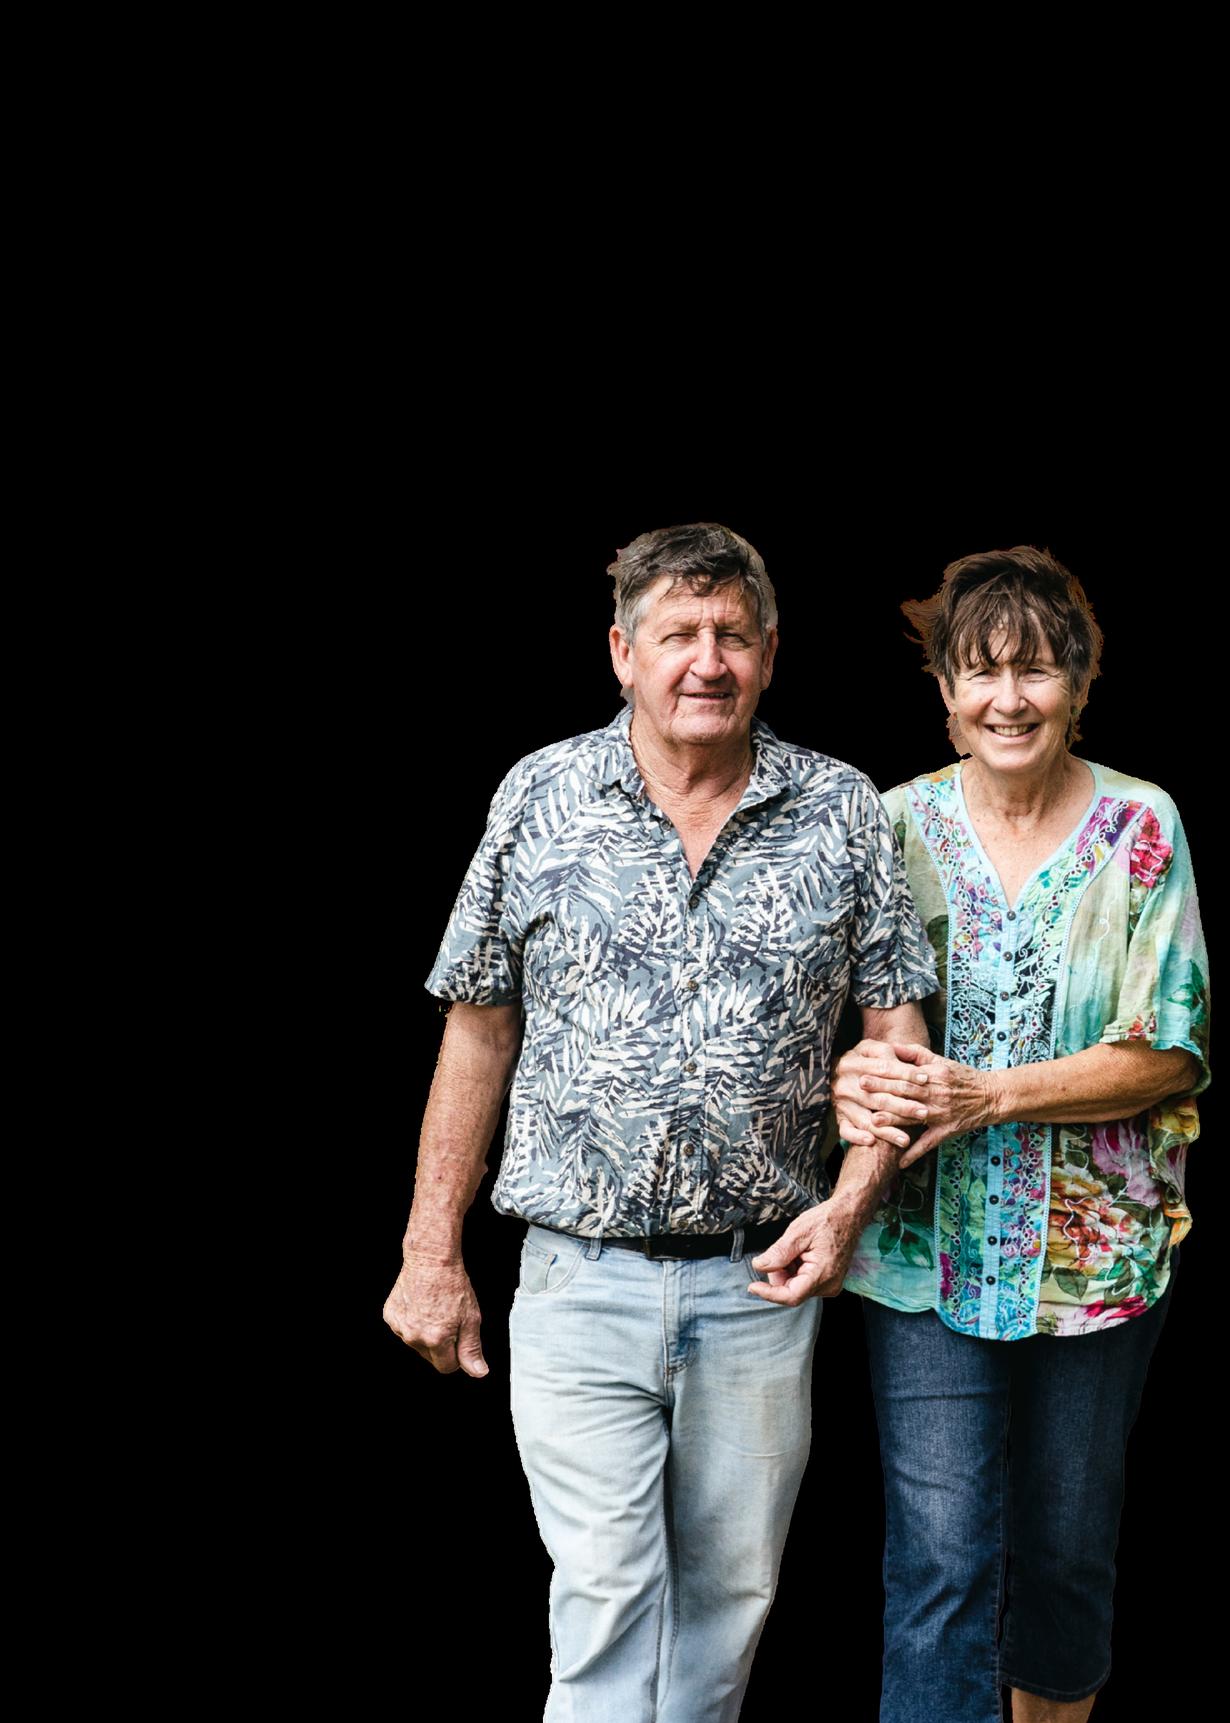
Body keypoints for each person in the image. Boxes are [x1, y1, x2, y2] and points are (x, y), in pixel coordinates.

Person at [383, 522, 938, 1720]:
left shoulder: (841, 809)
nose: (708, 661)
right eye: (679, 633)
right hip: (578, 1279)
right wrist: (431, 1249)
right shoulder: (540, 795)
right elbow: (478, 1031)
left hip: (760, 1284)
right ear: (622, 652)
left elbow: (897, 1044)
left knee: (729, 1606)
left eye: (733, 634)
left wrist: (849, 1209)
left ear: (772, 654)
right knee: (606, 1595)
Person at [826, 547, 1209, 1723]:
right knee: (940, 1560)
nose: (1008, 698)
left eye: (1036, 669)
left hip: (1094, 1264)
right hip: (919, 1255)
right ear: (945, 688)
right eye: (981, 671)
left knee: (1064, 1553)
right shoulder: (890, 825)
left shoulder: (1142, 825)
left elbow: (1168, 1050)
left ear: (1079, 683)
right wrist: (846, 1082)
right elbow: (839, 1028)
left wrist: (988, 1095)